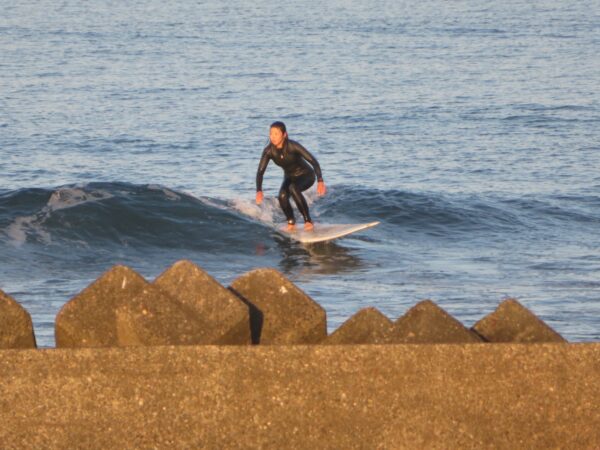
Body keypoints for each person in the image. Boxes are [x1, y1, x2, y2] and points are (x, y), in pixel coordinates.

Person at [255, 121, 326, 231]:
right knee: (282, 196)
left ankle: (308, 221)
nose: (273, 137)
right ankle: (291, 222)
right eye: (271, 133)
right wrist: (259, 190)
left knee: (293, 188)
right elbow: (260, 171)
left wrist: (320, 180)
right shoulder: (269, 151)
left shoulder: (293, 146)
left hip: (306, 175)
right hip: (290, 177)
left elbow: (313, 160)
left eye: (276, 134)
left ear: (284, 135)